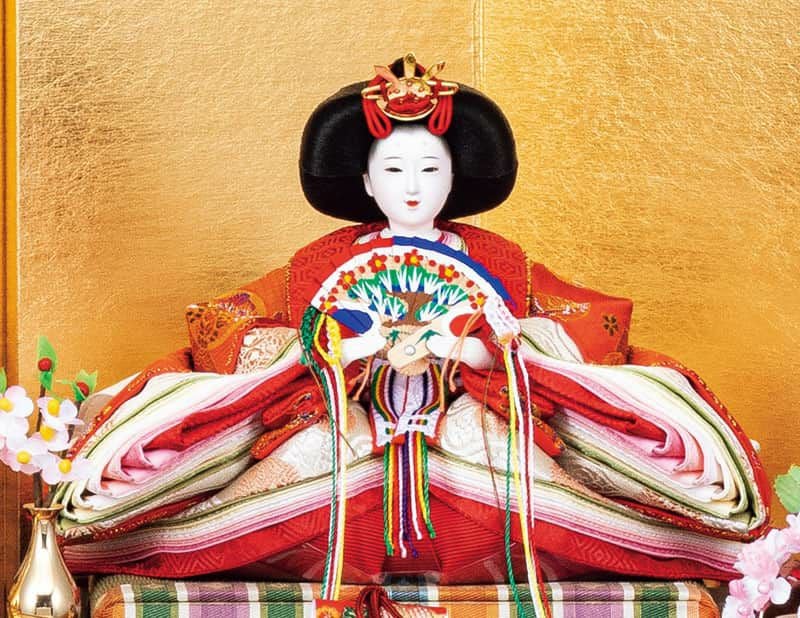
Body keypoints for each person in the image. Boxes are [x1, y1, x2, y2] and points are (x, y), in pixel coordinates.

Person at [56, 54, 769, 602]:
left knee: (520, 475)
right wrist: (360, 348)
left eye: (430, 167)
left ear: (454, 178)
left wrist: (463, 350)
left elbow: (544, 338)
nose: (412, 185)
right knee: (299, 470)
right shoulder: (321, 264)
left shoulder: (499, 261)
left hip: (469, 417)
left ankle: (684, 542)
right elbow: (269, 337)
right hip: (350, 417)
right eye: (393, 168)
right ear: (366, 183)